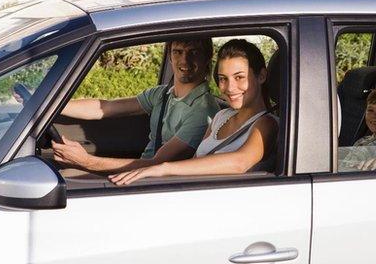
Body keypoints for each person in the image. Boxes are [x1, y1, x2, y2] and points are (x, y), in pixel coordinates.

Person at [108, 39, 279, 185]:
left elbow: (240, 163)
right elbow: (195, 163)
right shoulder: (221, 117)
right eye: (222, 79)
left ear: (261, 76)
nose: (229, 87)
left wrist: (163, 168)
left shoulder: (266, 123)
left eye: (239, 77)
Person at [51, 38, 220, 173]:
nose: (185, 60)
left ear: (207, 58)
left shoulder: (203, 111)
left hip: (157, 182)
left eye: (194, 52)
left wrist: (86, 162)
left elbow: (157, 163)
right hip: (141, 174)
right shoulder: (161, 94)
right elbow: (106, 108)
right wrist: (54, 104)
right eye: (178, 52)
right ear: (169, 56)